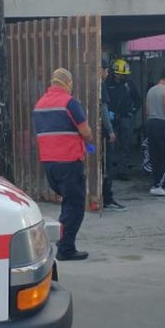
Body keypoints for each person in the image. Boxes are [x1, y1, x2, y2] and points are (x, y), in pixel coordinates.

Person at [33, 68, 95, 261]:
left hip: (49, 163)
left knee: (67, 204)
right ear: (67, 82)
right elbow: (85, 132)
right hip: (68, 162)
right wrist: (89, 140)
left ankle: (62, 242)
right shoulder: (70, 102)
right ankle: (65, 248)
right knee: (75, 206)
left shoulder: (39, 104)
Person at [105, 58, 140, 181]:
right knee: (111, 145)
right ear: (114, 72)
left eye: (124, 75)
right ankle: (108, 171)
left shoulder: (129, 85)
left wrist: (132, 112)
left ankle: (122, 171)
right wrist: (107, 112)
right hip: (112, 119)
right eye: (120, 74)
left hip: (125, 119)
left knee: (126, 145)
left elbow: (138, 100)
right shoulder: (107, 84)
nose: (121, 77)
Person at [145, 67, 165, 196]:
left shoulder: (150, 90)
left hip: (151, 123)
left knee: (155, 156)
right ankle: (160, 184)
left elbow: (147, 111)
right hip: (162, 123)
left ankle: (155, 182)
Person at [100, 59, 127, 211]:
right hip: (102, 134)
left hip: (89, 134)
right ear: (100, 70)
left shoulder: (86, 82)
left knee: (95, 162)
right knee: (106, 164)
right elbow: (103, 109)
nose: (107, 73)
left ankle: (98, 195)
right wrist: (110, 130)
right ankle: (107, 197)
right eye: (106, 70)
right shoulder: (102, 85)